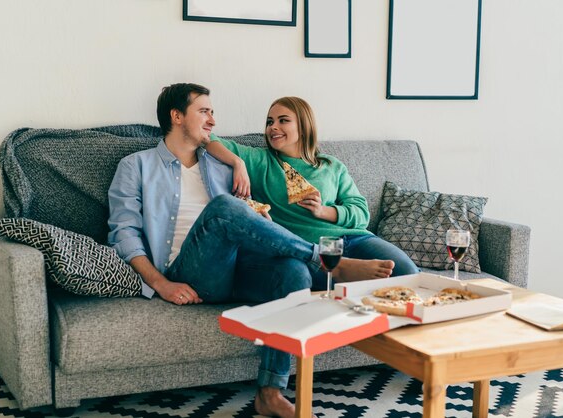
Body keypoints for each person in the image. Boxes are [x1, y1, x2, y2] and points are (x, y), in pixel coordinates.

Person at [107, 84, 388, 418]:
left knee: (292, 273)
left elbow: (241, 213)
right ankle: (324, 260)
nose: (212, 119)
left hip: (237, 265)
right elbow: (124, 235)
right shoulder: (135, 165)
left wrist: (253, 203)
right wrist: (161, 284)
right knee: (225, 206)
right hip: (188, 271)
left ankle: (269, 393)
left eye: (212, 111)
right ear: (176, 116)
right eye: (204, 111)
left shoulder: (220, 166)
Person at [206, 96, 419, 289]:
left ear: (304, 126)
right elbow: (208, 139)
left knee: (408, 274)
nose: (273, 127)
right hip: (313, 249)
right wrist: (238, 162)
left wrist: (323, 211)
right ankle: (348, 281)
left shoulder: (331, 166)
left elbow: (362, 214)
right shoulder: (260, 159)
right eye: (270, 122)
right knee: (314, 280)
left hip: (355, 240)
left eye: (283, 120)